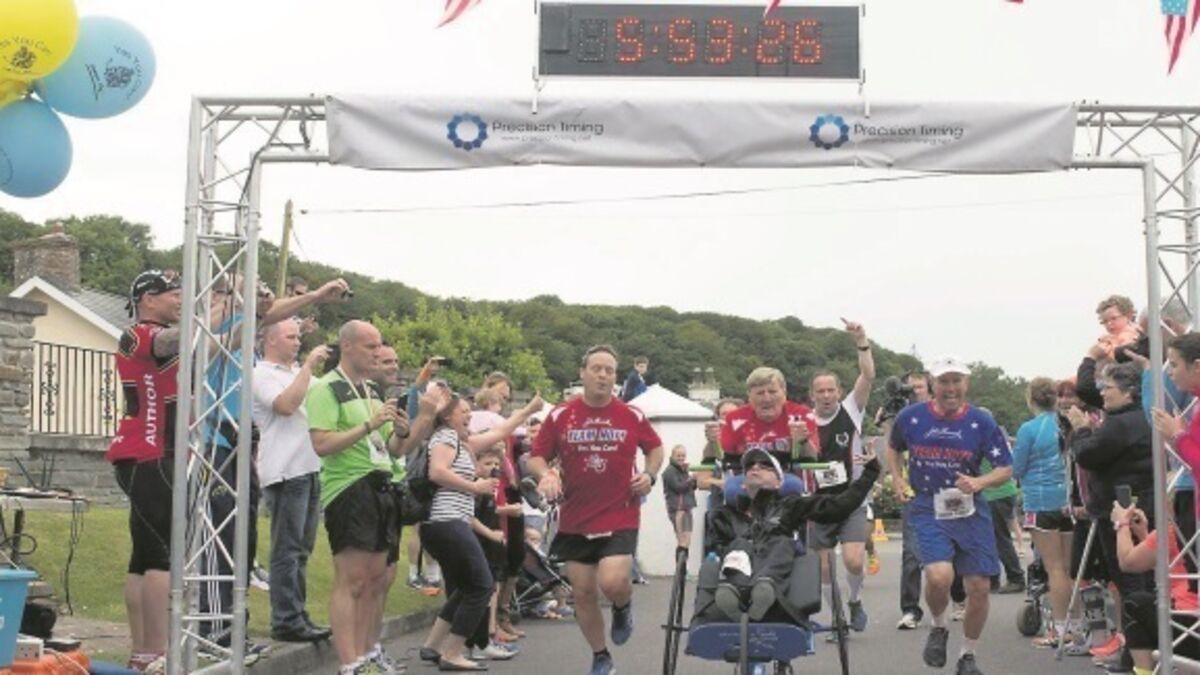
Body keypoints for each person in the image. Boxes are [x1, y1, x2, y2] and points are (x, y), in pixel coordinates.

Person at [307, 321, 441, 675]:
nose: (378, 353)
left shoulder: (371, 390)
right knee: (351, 578)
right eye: (371, 346)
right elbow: (321, 444)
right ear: (347, 346)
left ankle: (367, 654)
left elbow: (394, 449)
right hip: (349, 487)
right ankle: (348, 661)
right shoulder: (326, 387)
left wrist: (406, 429)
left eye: (379, 345)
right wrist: (369, 425)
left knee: (375, 580)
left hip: (381, 485)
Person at [529, 345, 665, 675]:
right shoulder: (561, 414)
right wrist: (546, 474)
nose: (603, 375)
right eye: (597, 368)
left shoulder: (631, 415)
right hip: (576, 517)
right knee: (583, 593)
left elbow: (656, 448)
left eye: (610, 370)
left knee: (613, 581)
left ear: (616, 377)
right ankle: (601, 655)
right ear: (583, 373)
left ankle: (622, 605)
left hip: (620, 512)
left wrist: (649, 475)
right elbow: (536, 456)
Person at [887, 355, 1014, 675]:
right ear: (933, 384)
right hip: (928, 505)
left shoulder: (981, 422)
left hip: (970, 509)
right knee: (939, 576)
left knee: (979, 586)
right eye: (944, 381)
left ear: (966, 384)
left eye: (956, 381)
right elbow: (893, 446)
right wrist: (898, 479)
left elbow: (1005, 468)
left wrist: (979, 482)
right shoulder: (911, 417)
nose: (951, 388)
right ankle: (939, 626)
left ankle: (967, 655)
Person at [417, 390, 543, 672]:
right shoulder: (446, 437)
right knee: (482, 585)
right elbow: (437, 471)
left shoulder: (463, 442)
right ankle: (453, 652)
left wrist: (527, 410)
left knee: (466, 586)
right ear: (447, 416)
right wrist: (474, 486)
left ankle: (432, 646)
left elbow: (500, 432)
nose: (469, 415)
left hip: (452, 523)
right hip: (447, 522)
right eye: (463, 411)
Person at [701, 447, 881, 624]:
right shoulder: (723, 515)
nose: (755, 468)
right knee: (738, 545)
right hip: (736, 574)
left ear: (779, 483)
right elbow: (715, 550)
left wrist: (871, 471)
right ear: (742, 484)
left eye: (765, 466)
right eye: (749, 467)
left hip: (777, 577)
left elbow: (840, 505)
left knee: (780, 543)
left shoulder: (791, 505)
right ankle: (734, 594)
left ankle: (764, 588)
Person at [107, 269, 183, 674]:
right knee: (161, 557)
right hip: (149, 453)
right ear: (148, 299)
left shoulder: (163, 337)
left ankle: (142, 653)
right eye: (174, 293)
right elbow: (179, 339)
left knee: (142, 557)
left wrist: (245, 314)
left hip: (149, 455)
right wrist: (217, 308)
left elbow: (216, 341)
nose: (181, 299)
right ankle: (156, 652)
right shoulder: (138, 335)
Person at [251, 319, 332, 643]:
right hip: (285, 470)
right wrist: (309, 367)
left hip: (310, 467)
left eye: (299, 337)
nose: (297, 342)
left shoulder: (298, 372)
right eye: (290, 336)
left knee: (302, 548)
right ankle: (285, 620)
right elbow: (285, 405)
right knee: (287, 548)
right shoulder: (261, 373)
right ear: (271, 340)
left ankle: (298, 615)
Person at [1071, 361, 1155, 670]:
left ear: (1129, 392)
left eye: (1108, 388)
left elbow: (1087, 455)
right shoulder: (1140, 417)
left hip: (1122, 511)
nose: (1103, 394)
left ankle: (1136, 655)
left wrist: (1081, 430)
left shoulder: (1120, 424)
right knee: (1141, 582)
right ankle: (1138, 652)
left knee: (1131, 582)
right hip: (1140, 504)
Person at [809, 318, 875, 634]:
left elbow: (868, 375)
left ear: (838, 391)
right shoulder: (804, 421)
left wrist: (861, 341)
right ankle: (836, 618)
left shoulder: (851, 409)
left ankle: (854, 600)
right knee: (823, 567)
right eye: (820, 391)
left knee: (853, 560)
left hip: (851, 500)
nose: (826, 395)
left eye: (831, 389)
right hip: (819, 503)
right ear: (812, 395)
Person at [1011, 377, 1073, 648]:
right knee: (1069, 569)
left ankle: (1060, 629)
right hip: (1067, 501)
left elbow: (1016, 467)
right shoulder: (1067, 423)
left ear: (1030, 399)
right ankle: (1076, 627)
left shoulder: (1029, 429)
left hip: (1039, 500)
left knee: (1054, 568)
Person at [1110, 500, 1200, 675]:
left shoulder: (1172, 532)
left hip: (1189, 626)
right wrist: (1144, 535)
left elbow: (1128, 562)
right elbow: (1171, 566)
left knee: (1135, 604)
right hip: (1188, 624)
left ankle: (1143, 672)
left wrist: (1122, 524)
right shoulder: (1176, 534)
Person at [719, 367, 818, 498]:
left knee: (792, 486)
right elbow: (720, 456)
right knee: (732, 491)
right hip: (749, 474)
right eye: (760, 393)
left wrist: (803, 441)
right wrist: (712, 441)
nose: (767, 398)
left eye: (772, 391)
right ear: (749, 396)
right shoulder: (734, 419)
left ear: (784, 392)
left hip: (787, 474)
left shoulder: (802, 415)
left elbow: (813, 457)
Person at [896, 371, 933, 631]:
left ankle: (958, 596)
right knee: (911, 552)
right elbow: (892, 448)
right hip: (913, 491)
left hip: (944, 490)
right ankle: (910, 609)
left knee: (954, 549)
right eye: (909, 388)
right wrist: (897, 479)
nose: (914, 392)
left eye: (919, 387)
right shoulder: (902, 416)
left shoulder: (942, 413)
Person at [662, 445, 698, 551]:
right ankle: (680, 562)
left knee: (687, 541)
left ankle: (683, 562)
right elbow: (678, 487)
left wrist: (694, 480)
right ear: (672, 456)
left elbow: (690, 487)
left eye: (683, 456)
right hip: (679, 509)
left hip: (687, 508)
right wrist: (691, 479)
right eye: (678, 455)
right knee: (682, 540)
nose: (681, 458)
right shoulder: (669, 471)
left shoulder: (683, 470)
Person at [1096, 295, 1141, 363]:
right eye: (1105, 321)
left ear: (1128, 316)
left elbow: (1122, 354)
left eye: (1114, 318)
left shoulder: (1131, 334)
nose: (1109, 324)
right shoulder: (1112, 337)